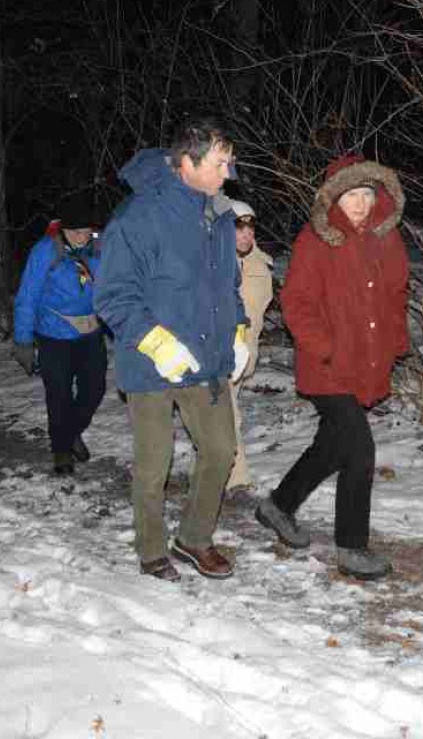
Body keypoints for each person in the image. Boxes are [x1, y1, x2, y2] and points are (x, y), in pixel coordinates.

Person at [96, 117, 246, 582]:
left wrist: (238, 330)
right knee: (154, 464)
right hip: (151, 363)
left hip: (206, 358)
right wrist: (157, 343)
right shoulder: (138, 218)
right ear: (187, 163)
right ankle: (151, 548)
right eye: (219, 163)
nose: (228, 173)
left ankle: (194, 538)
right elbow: (113, 296)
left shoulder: (220, 214)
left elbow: (227, 284)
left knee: (221, 451)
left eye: (229, 163)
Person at [254, 155, 410, 581]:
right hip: (327, 365)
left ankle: (278, 506)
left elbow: (396, 294)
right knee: (359, 451)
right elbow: (297, 303)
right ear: (334, 198)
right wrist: (327, 348)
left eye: (366, 194)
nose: (360, 203)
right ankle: (352, 547)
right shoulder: (317, 240)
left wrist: (396, 339)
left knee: (333, 446)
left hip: (365, 361)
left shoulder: (386, 239)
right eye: (350, 195)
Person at [11, 196, 109, 475]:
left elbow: (113, 288)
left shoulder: (100, 246)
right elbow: (27, 297)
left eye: (86, 231)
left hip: (90, 333)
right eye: (75, 231)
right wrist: (23, 340)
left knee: (95, 389)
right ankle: (61, 450)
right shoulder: (45, 251)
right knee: (59, 395)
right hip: (54, 335)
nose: (81, 237)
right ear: (63, 229)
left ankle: (71, 431)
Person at [225, 198, 274, 494]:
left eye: (250, 229)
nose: (246, 235)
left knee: (222, 417)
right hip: (221, 354)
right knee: (229, 415)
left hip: (248, 352)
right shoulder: (211, 264)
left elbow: (261, 308)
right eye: (238, 229)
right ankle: (236, 477)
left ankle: (211, 466)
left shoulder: (261, 264)